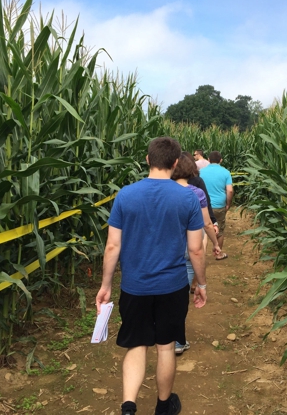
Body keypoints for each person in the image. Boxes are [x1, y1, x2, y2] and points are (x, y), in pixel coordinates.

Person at [95, 137, 207, 415]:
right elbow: (195, 249)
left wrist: (106, 285)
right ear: (176, 163)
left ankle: (129, 409)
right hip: (172, 286)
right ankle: (163, 407)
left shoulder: (126, 195)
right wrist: (201, 283)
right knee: (166, 347)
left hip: (135, 286)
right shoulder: (187, 198)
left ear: (148, 160)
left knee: (136, 346)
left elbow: (112, 246)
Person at [171, 153, 221, 354]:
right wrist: (216, 243)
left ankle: (163, 333)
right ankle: (176, 340)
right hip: (188, 252)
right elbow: (207, 223)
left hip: (166, 250)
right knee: (180, 295)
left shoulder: (162, 191)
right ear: (192, 170)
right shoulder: (196, 194)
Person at [199, 151, 233, 260]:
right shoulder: (226, 172)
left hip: (203, 206)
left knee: (202, 231)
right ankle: (218, 254)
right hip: (219, 205)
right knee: (220, 231)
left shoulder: (201, 172)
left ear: (208, 160)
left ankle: (201, 255)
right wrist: (228, 204)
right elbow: (230, 191)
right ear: (221, 160)